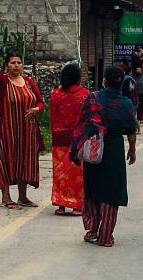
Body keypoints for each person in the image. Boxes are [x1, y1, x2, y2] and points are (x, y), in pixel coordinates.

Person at [70, 66, 137, 247]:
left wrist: (76, 148)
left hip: (94, 149)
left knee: (93, 189)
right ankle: (106, 236)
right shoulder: (126, 103)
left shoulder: (93, 98)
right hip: (114, 149)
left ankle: (92, 231)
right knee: (112, 192)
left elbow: (82, 125)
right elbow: (131, 129)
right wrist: (132, 150)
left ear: (104, 81)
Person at [0, 42, 44, 210]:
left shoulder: (29, 82)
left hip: (28, 131)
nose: (16, 65)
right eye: (12, 63)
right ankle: (6, 197)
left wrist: (37, 108)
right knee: (6, 160)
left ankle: (23, 197)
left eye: (19, 62)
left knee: (24, 161)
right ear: (7, 65)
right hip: (7, 130)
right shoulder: (2, 82)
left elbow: (40, 101)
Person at [50, 63, 89, 216]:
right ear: (78, 78)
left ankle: (60, 204)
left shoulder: (55, 94)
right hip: (78, 140)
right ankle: (77, 205)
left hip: (58, 139)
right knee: (76, 173)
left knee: (59, 171)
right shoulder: (84, 95)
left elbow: (53, 118)